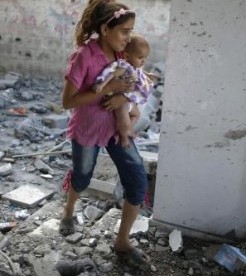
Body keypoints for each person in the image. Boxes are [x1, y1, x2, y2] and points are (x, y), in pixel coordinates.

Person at [60, 0, 150, 265]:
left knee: (137, 181)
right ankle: (68, 211)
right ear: (105, 29)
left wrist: (125, 97)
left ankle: (122, 242)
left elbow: (134, 83)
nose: (128, 37)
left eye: (131, 30)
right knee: (83, 177)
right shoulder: (84, 56)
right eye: (124, 30)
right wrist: (110, 90)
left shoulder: (124, 53)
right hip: (88, 129)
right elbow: (68, 101)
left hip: (116, 128)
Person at [93, 33, 154, 148]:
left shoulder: (136, 67)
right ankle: (124, 137)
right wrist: (101, 84)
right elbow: (110, 74)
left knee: (136, 114)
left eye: (145, 58)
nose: (143, 61)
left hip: (129, 98)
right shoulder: (123, 66)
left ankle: (128, 130)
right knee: (123, 118)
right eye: (140, 58)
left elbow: (140, 73)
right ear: (126, 55)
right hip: (119, 97)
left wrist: (148, 74)